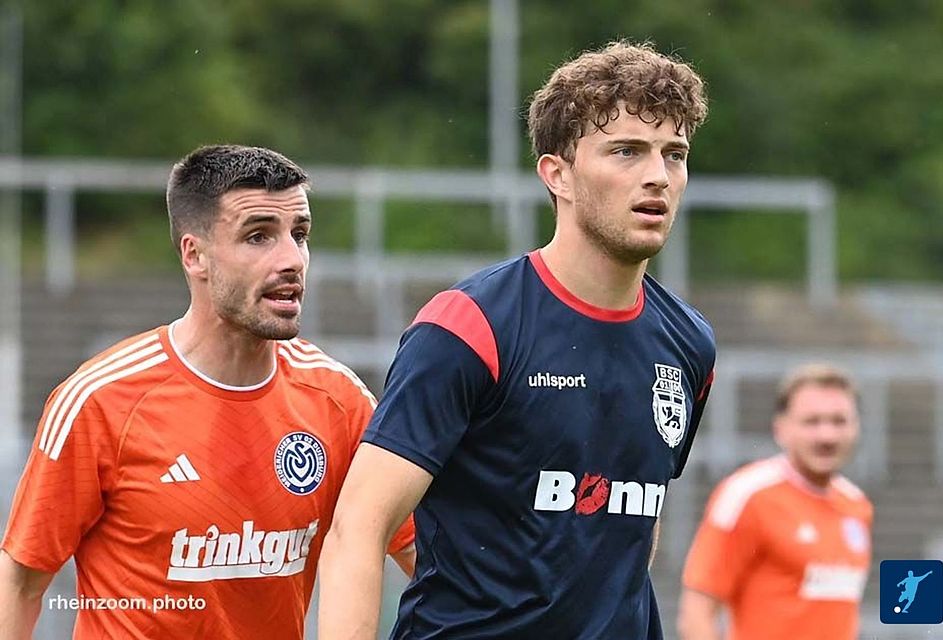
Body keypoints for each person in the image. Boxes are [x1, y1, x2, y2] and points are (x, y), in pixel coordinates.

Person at [318, 40, 715, 639]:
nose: (657, 176)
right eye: (627, 151)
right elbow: (358, 529)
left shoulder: (689, 342)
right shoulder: (470, 326)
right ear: (558, 175)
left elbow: (633, 518)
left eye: (674, 154)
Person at [0, 145, 414, 640]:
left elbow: (424, 558)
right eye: (259, 236)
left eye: (299, 234)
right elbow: (22, 582)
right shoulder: (100, 401)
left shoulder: (340, 400)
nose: (292, 260)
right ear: (194, 255)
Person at [678, 363, 873, 640]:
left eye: (838, 421)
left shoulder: (857, 506)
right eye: (812, 421)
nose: (826, 435)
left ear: (856, 427)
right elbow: (697, 612)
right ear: (780, 428)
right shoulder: (747, 495)